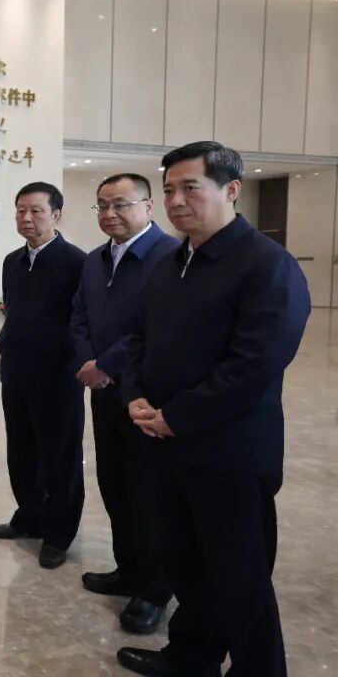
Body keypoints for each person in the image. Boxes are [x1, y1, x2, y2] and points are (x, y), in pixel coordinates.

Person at [116, 142, 310, 677]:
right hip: (167, 447)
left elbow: (256, 364)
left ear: (230, 190)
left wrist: (178, 416)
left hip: (231, 455)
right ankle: (191, 659)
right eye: (169, 190)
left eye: (190, 188)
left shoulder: (268, 265)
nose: (176, 200)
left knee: (240, 578)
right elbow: (139, 339)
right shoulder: (170, 264)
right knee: (187, 566)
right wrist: (135, 393)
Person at [69, 173, 179, 634]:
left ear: (148, 207)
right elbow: (78, 315)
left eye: (121, 204)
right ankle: (128, 569)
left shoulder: (170, 256)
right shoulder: (96, 259)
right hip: (103, 391)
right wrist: (87, 362)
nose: (110, 213)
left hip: (143, 395)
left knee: (148, 492)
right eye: (103, 205)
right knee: (114, 483)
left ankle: (154, 590)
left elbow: (152, 326)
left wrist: (106, 364)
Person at [0, 182, 86, 569]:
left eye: (36, 211)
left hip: (58, 377)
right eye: (20, 211)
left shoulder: (76, 262)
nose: (26, 218)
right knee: (22, 453)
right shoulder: (12, 261)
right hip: (15, 372)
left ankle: (59, 533)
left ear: (56, 215)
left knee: (60, 457)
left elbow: (81, 321)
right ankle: (29, 517)